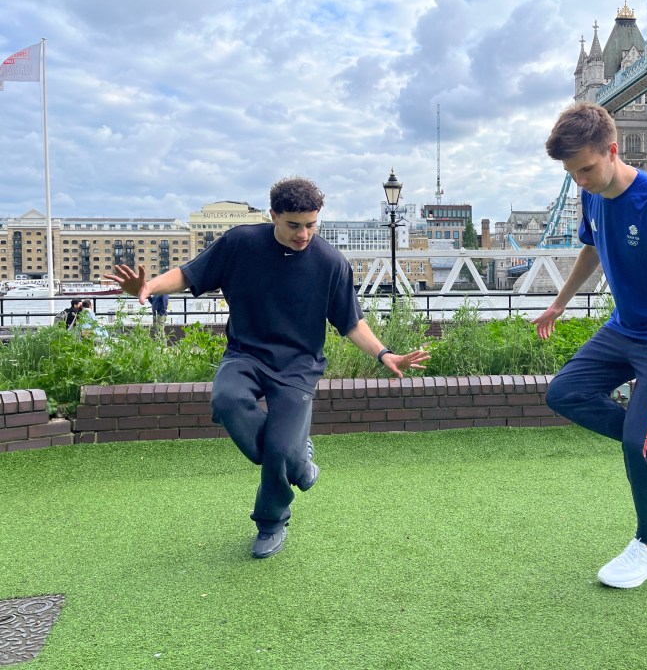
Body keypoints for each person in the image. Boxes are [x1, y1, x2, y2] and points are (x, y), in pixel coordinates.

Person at [106, 177, 429, 559]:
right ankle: (296, 459)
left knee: (278, 450)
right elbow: (189, 274)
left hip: (298, 368)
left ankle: (271, 520)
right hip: (245, 355)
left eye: (311, 224)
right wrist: (149, 287)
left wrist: (384, 354)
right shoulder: (241, 243)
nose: (303, 234)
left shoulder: (331, 263)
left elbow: (351, 322)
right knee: (227, 400)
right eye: (294, 225)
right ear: (273, 215)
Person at [534, 103, 647, 589]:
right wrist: (559, 304)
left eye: (586, 169)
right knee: (564, 393)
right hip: (627, 326)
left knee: (641, 442)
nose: (580, 181)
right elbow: (592, 249)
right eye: (572, 173)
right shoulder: (591, 195)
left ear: (613, 150)